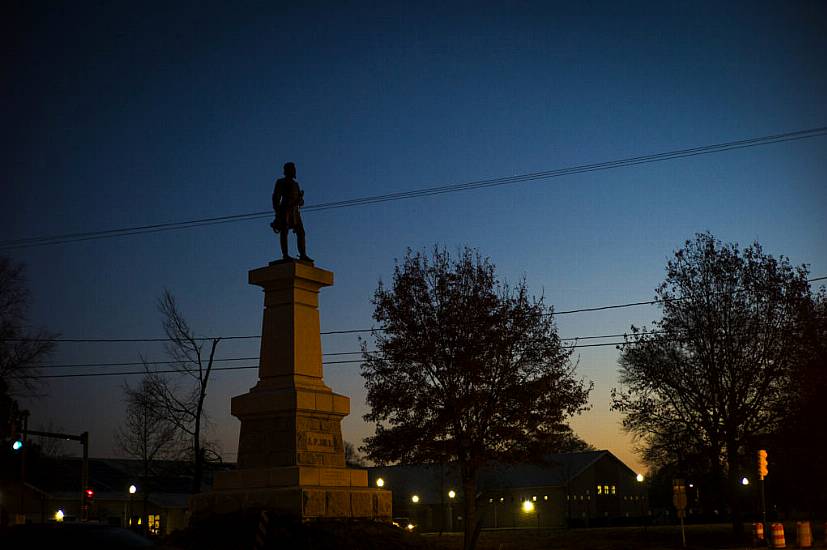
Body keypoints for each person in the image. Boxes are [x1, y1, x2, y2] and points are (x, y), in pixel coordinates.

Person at [271, 162, 312, 262]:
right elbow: (276, 198)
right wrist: (277, 213)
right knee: (284, 231)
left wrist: (300, 200)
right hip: (285, 209)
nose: (294, 171)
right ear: (287, 170)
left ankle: (303, 254)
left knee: (301, 232)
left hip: (295, 212)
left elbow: (301, 202)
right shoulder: (281, 182)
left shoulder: (296, 184)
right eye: (292, 169)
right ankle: (285, 255)